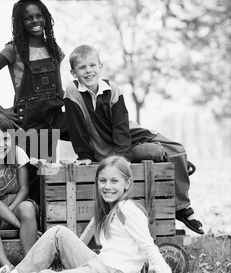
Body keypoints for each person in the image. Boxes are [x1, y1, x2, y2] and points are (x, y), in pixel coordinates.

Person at [0, 155, 185, 273]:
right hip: (101, 265)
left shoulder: (128, 210)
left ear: (127, 184)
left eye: (114, 181)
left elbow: (150, 248)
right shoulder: (112, 208)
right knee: (58, 233)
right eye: (102, 181)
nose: (107, 187)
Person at [63, 44, 204, 235]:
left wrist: (123, 156)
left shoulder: (112, 89)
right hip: (104, 148)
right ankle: (177, 163)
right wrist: (85, 155)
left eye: (92, 65)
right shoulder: (72, 91)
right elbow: (75, 126)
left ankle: (182, 208)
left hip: (127, 138)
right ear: (73, 72)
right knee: (157, 152)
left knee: (176, 149)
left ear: (100, 66)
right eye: (82, 68)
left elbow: (121, 126)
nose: (88, 71)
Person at [0, 0, 70, 204]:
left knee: (82, 135)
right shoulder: (14, 50)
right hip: (29, 124)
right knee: (35, 178)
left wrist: (77, 104)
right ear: (20, 22)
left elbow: (59, 90)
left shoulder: (54, 49)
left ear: (45, 17)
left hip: (53, 118)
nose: (35, 21)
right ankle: (32, 226)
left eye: (38, 15)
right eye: (28, 17)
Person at [0, 114, 39, 273]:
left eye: (6, 138)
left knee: (27, 207)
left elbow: (24, 189)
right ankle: (6, 266)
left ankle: (28, 264)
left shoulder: (18, 154)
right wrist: (18, 224)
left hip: (16, 207)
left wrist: (10, 212)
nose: (1, 144)